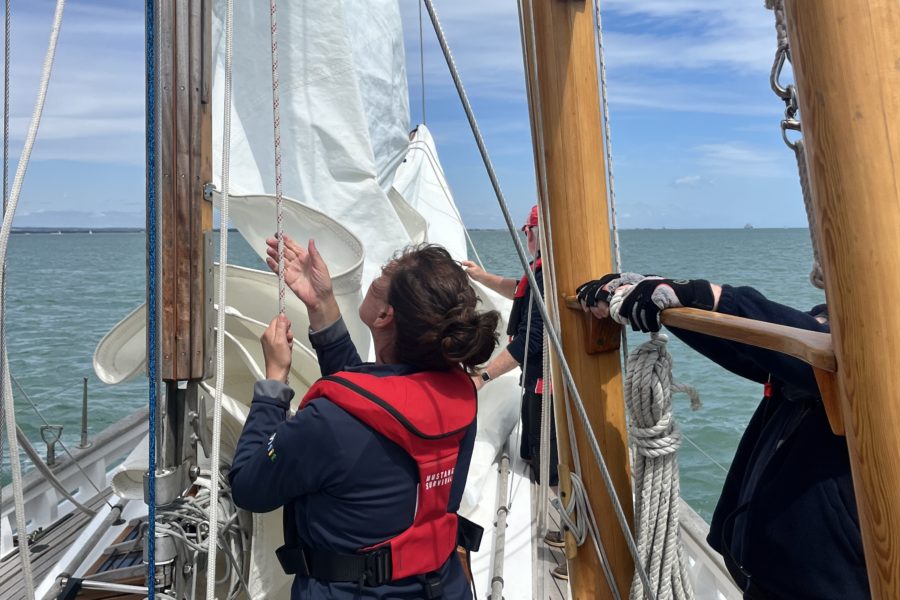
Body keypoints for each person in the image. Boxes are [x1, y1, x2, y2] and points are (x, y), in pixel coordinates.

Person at [229, 236, 500, 600]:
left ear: (386, 315)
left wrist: (274, 381)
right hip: (441, 587)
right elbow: (376, 407)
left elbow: (249, 487)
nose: (377, 274)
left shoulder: (327, 423)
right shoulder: (458, 394)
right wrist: (321, 304)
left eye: (383, 274)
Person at [576, 273, 869, 600]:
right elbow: (762, 351)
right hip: (772, 577)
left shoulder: (873, 349)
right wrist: (667, 298)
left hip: (825, 584)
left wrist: (705, 296)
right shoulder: (842, 324)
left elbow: (825, 354)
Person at [462, 205, 566, 577]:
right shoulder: (539, 271)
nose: (526, 235)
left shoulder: (549, 275)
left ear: (539, 231)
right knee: (533, 454)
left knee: (550, 466)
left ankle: (574, 543)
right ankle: (567, 529)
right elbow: (517, 289)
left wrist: (482, 378)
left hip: (547, 387)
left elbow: (530, 342)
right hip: (537, 384)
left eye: (528, 229)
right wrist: (482, 276)